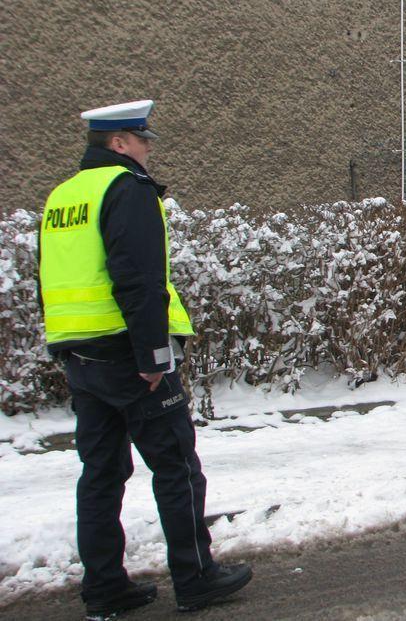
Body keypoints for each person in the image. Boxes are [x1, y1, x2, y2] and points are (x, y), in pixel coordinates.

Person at [37, 100, 252, 619]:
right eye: (141, 139)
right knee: (176, 466)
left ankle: (105, 588)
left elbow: (53, 275)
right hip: (128, 354)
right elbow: (138, 278)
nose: (148, 147)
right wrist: (154, 355)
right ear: (118, 144)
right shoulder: (125, 188)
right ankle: (196, 577)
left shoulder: (63, 196)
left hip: (80, 353)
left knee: (101, 473)